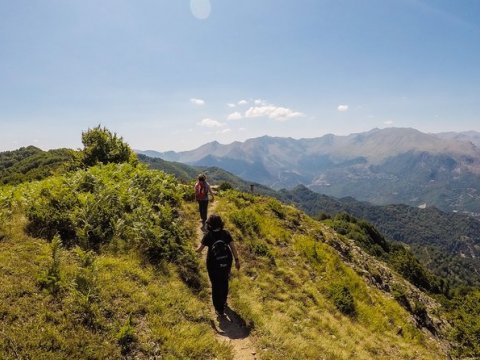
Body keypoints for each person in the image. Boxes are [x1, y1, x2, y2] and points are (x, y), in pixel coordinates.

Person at [196, 214, 240, 317]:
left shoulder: (208, 235)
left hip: (213, 264)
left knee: (215, 285)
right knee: (224, 281)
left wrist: (192, 249)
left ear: (209, 224)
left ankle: (219, 309)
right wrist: (237, 260)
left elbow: (199, 250)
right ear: (221, 223)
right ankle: (224, 301)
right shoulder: (226, 234)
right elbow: (233, 248)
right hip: (226, 262)